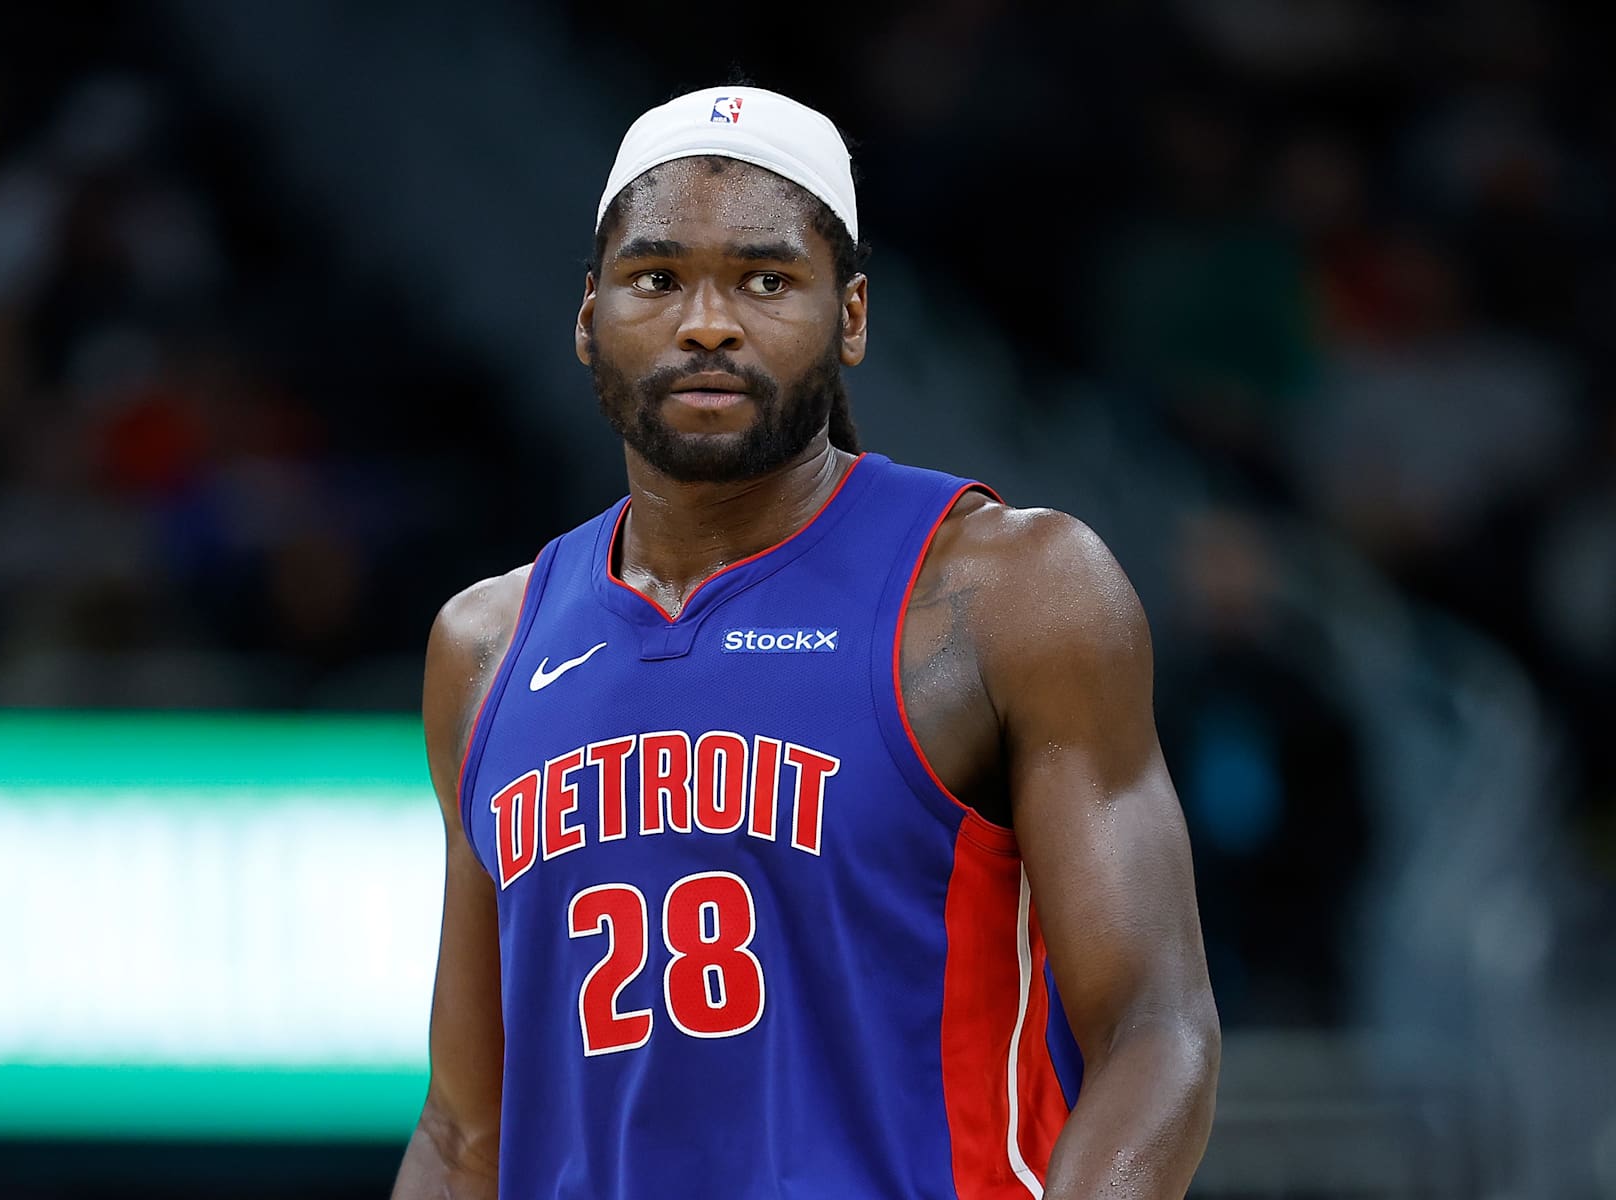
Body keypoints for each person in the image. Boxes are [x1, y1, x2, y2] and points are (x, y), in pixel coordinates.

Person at [393, 86, 1219, 1199]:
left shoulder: (1009, 589)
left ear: (854, 316)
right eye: (658, 278)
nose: (708, 323)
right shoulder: (486, 646)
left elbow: (1155, 1031)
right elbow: (462, 1135)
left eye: (766, 279)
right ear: (590, 315)